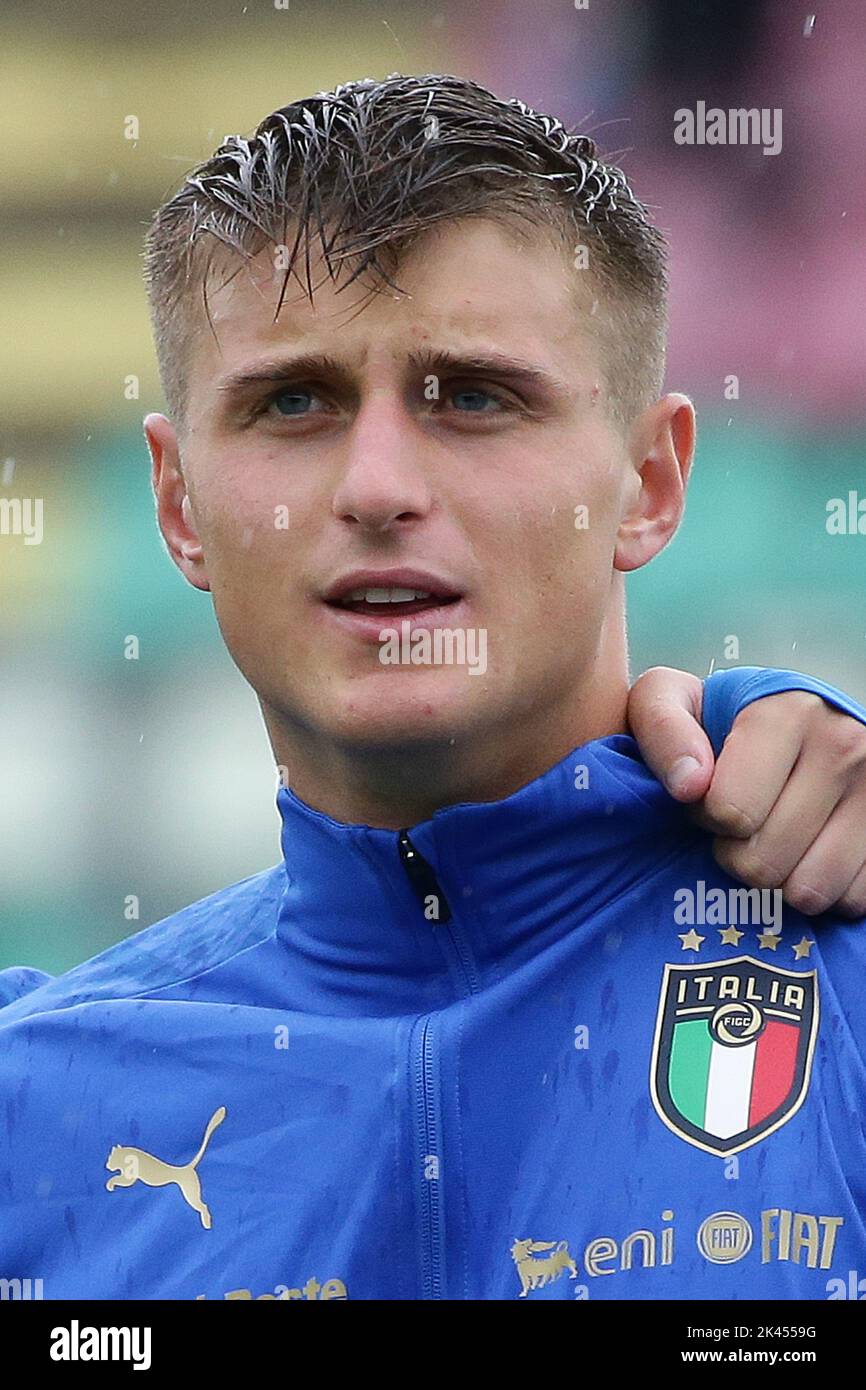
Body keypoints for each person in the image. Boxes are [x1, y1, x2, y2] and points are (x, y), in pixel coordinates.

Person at [2, 74, 866, 1302]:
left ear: (648, 482)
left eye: (471, 396)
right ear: (179, 506)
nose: (376, 486)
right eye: (292, 401)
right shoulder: (28, 1117)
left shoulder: (841, 973)